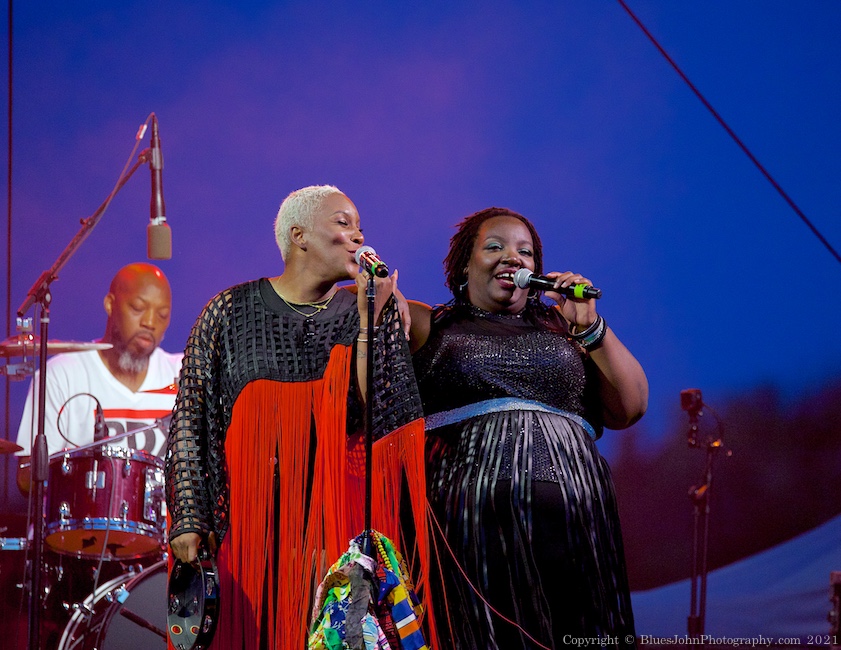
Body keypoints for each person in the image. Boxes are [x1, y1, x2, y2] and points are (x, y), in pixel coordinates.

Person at [165, 185, 430, 649]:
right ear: (299, 235)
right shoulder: (229, 311)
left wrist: (372, 318)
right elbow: (192, 416)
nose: (358, 237)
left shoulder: (366, 311)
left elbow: (379, 415)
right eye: (343, 223)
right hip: (247, 532)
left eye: (361, 228)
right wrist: (189, 514)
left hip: (334, 533)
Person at [408, 207, 648, 648]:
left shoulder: (565, 329)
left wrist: (591, 327)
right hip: (474, 525)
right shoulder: (432, 324)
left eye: (526, 252)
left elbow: (630, 406)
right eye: (494, 247)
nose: (512, 258)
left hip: (577, 515)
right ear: (465, 263)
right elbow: (351, 309)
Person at [15, 262, 181, 474]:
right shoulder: (61, 376)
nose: (150, 322)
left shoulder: (184, 375)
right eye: (138, 308)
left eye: (162, 315)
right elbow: (26, 478)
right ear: (110, 304)